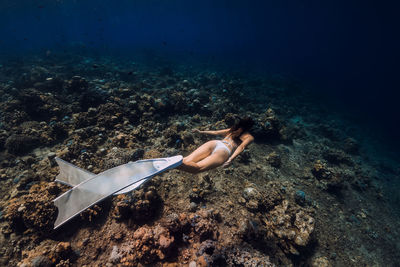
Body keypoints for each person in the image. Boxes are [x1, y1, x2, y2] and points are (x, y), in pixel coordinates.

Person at [178, 117, 255, 173]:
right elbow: (242, 147)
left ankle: (173, 163)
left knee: (186, 160)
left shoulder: (232, 129)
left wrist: (200, 131)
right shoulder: (249, 137)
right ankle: (175, 165)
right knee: (198, 168)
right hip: (224, 150)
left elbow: (216, 132)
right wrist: (231, 159)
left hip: (216, 142)